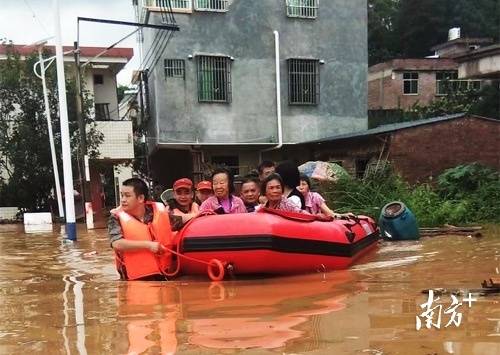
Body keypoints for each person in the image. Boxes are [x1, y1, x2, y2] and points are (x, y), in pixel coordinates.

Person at [108, 178, 193, 280]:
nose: (123, 200)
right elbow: (116, 243)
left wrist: (200, 215)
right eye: (122, 195)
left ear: (140, 198)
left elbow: (180, 221)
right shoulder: (116, 217)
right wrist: (148, 245)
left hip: (164, 274)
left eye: (127, 196)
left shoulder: (158, 212)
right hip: (134, 279)